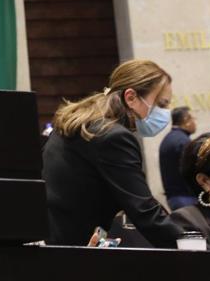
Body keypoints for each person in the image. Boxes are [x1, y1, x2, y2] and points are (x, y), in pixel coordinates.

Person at [41, 59, 183, 247]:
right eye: (161, 104)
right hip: (72, 248)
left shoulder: (80, 122)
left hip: (52, 240)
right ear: (131, 97)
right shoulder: (114, 137)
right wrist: (193, 246)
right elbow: (143, 210)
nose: (165, 113)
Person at [159, 106, 197, 210]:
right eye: (193, 119)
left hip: (175, 198)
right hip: (186, 198)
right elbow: (193, 170)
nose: (195, 122)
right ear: (186, 120)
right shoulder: (183, 141)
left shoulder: (169, 138)